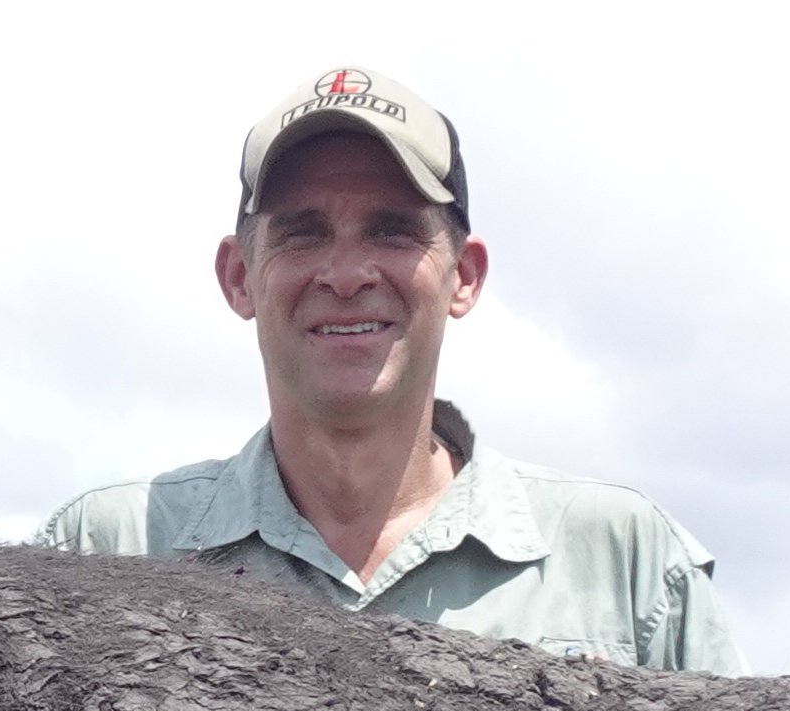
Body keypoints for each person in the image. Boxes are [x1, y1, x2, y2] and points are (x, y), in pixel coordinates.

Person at [37, 71, 742, 673]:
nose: (346, 276)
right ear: (238, 277)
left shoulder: (631, 565)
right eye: (303, 233)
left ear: (464, 278)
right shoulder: (99, 557)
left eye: (392, 230)